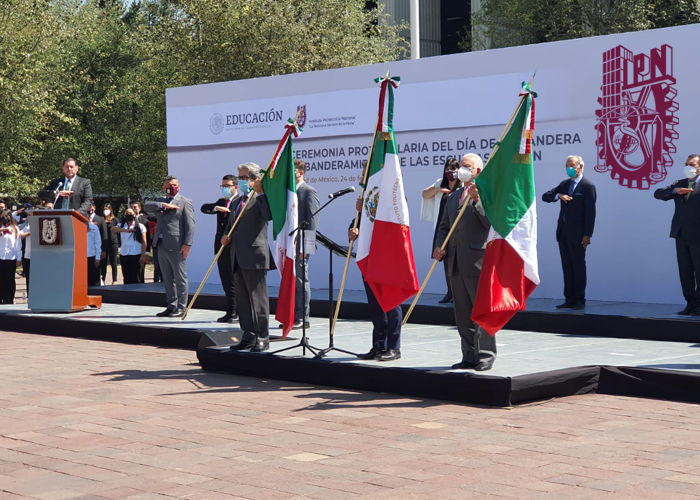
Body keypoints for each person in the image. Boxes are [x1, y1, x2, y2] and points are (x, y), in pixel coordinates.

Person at [433, 153, 495, 371]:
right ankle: (468, 355)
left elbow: (490, 223)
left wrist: (478, 201)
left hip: (477, 260)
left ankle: (485, 356)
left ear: (478, 171)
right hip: (455, 262)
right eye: (461, 166)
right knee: (462, 314)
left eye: (467, 167)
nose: (462, 170)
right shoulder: (453, 196)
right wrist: (439, 246)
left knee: (481, 312)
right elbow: (444, 226)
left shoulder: (486, 194)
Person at [351, 161, 402, 362]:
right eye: (363, 174)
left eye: (366, 174)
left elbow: (395, 223)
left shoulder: (393, 195)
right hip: (369, 256)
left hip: (387, 258)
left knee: (390, 302)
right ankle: (378, 346)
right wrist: (354, 228)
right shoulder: (366, 197)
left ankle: (393, 346)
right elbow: (362, 224)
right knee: (375, 305)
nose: (362, 178)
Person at [222, 163, 272, 352]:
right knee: (243, 300)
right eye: (240, 177)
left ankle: (263, 337)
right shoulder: (236, 202)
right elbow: (230, 227)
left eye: (244, 178)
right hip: (236, 255)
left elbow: (268, 216)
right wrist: (226, 236)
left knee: (258, 300)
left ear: (253, 179)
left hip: (255, 255)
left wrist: (260, 194)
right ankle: (248, 335)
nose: (240, 181)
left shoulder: (260, 198)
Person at [542, 155, 597, 310]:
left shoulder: (588, 186)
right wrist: (558, 195)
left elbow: (591, 212)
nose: (569, 168)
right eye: (567, 165)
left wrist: (588, 234)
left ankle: (580, 299)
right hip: (563, 232)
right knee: (567, 266)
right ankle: (569, 299)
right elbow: (545, 196)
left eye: (572, 165)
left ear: (580, 167)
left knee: (578, 266)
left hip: (579, 234)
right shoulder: (564, 184)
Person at [654, 154, 700, 316]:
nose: (689, 167)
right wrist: (675, 191)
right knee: (685, 271)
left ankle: (699, 306)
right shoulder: (679, 183)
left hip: (697, 234)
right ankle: (690, 304)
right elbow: (658, 193)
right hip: (681, 234)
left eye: (693, 164)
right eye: (687, 164)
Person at [146, 175, 195, 317]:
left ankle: (181, 307)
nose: (173, 188)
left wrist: (187, 244)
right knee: (167, 278)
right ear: (164, 188)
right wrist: (163, 205)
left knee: (180, 277)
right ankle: (171, 305)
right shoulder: (161, 201)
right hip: (160, 244)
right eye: (170, 185)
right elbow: (147, 206)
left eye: (175, 185)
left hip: (177, 244)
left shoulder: (185, 202)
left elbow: (190, 225)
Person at [421, 157, 462, 304]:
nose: (450, 173)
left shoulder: (463, 186)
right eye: (448, 170)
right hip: (442, 228)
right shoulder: (440, 183)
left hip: (457, 229)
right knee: (445, 261)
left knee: (457, 263)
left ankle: (458, 294)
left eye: (453, 170)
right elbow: (425, 194)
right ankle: (449, 292)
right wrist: (439, 189)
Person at [201, 174, 239, 323]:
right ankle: (230, 311)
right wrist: (217, 207)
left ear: (235, 187)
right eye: (223, 186)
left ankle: (237, 311)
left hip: (233, 246)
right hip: (221, 247)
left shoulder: (240, 201)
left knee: (235, 281)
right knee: (226, 281)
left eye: (227, 186)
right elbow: (204, 208)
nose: (224, 189)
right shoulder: (222, 201)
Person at [292, 159, 319, 329]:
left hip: (301, 243)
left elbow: (313, 221)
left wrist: (307, 246)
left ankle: (303, 317)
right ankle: (293, 315)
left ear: (301, 172)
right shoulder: (288, 192)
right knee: (291, 280)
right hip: (288, 243)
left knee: (302, 280)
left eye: (292, 171)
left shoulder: (308, 191)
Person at [112, 208, 148, 284]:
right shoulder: (121, 225)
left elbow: (144, 242)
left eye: (130, 213)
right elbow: (113, 229)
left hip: (136, 253)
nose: (129, 215)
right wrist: (125, 230)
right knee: (127, 276)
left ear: (134, 215)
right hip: (124, 254)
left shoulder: (140, 226)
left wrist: (143, 255)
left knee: (137, 277)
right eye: (127, 214)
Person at [0, 210, 22, 304]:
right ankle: (2, 298)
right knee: (1, 279)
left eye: (7, 216)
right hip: (1, 256)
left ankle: (10, 298)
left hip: (11, 257)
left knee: (10, 279)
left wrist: (19, 258)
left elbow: (18, 244)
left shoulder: (15, 229)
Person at [130, 201, 151, 283]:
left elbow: (148, 238)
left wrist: (147, 253)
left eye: (135, 207)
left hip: (141, 250)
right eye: (131, 207)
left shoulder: (144, 221)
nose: (133, 209)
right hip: (130, 251)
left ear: (139, 208)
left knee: (140, 272)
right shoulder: (126, 221)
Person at [100, 203, 119, 285]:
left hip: (113, 243)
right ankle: (103, 279)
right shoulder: (101, 220)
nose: (106, 211)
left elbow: (119, 231)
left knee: (113, 262)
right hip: (103, 243)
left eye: (107, 209)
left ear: (111, 210)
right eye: (104, 209)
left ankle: (114, 280)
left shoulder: (115, 220)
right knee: (103, 263)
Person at [86, 216, 102, 287]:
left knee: (94, 280)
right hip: (80, 257)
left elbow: (98, 243)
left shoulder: (94, 227)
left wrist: (97, 257)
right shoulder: (75, 227)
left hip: (92, 256)